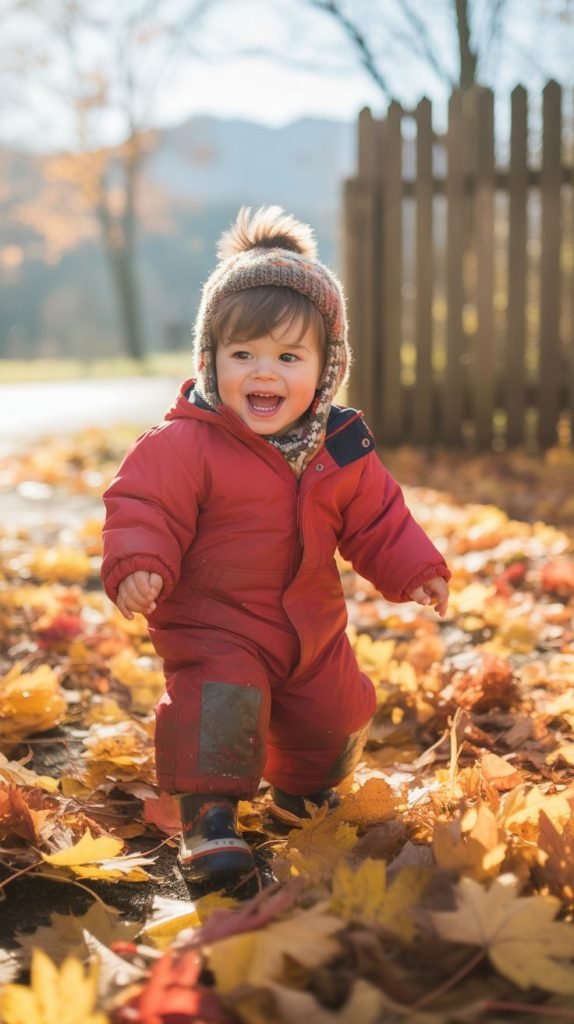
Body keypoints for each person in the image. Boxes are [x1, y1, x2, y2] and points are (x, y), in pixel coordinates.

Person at [101, 206, 450, 887]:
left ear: (326, 370)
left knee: (338, 711)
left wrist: (416, 569)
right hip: (215, 626)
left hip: (312, 629)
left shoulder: (339, 449)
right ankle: (209, 820)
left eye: (289, 357)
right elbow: (143, 505)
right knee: (217, 705)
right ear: (210, 360)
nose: (265, 373)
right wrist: (139, 562)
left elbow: (380, 519)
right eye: (243, 355)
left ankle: (304, 794)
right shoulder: (184, 444)